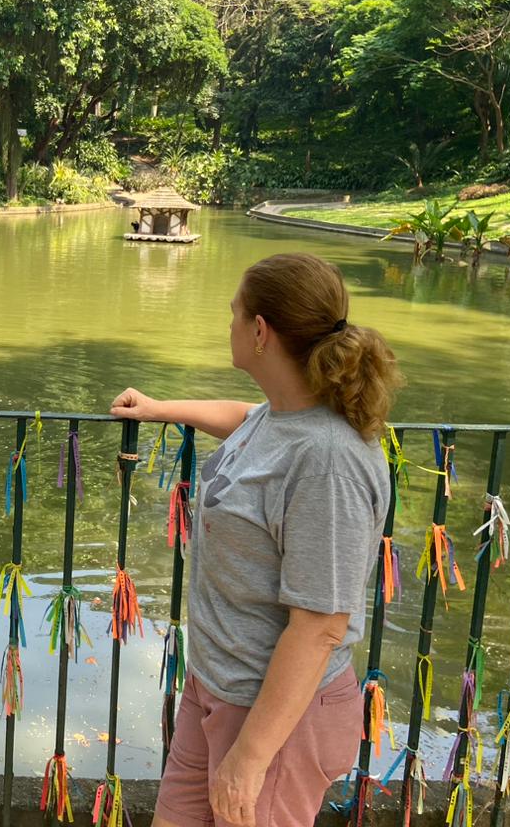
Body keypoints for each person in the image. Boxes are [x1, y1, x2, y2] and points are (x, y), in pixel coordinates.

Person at [111, 252, 402, 827]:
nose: (230, 325)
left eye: (235, 314)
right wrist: (157, 408)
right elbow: (241, 415)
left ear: (261, 331)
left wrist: (249, 759)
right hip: (216, 685)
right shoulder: (282, 414)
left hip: (276, 721)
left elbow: (320, 626)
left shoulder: (327, 463)